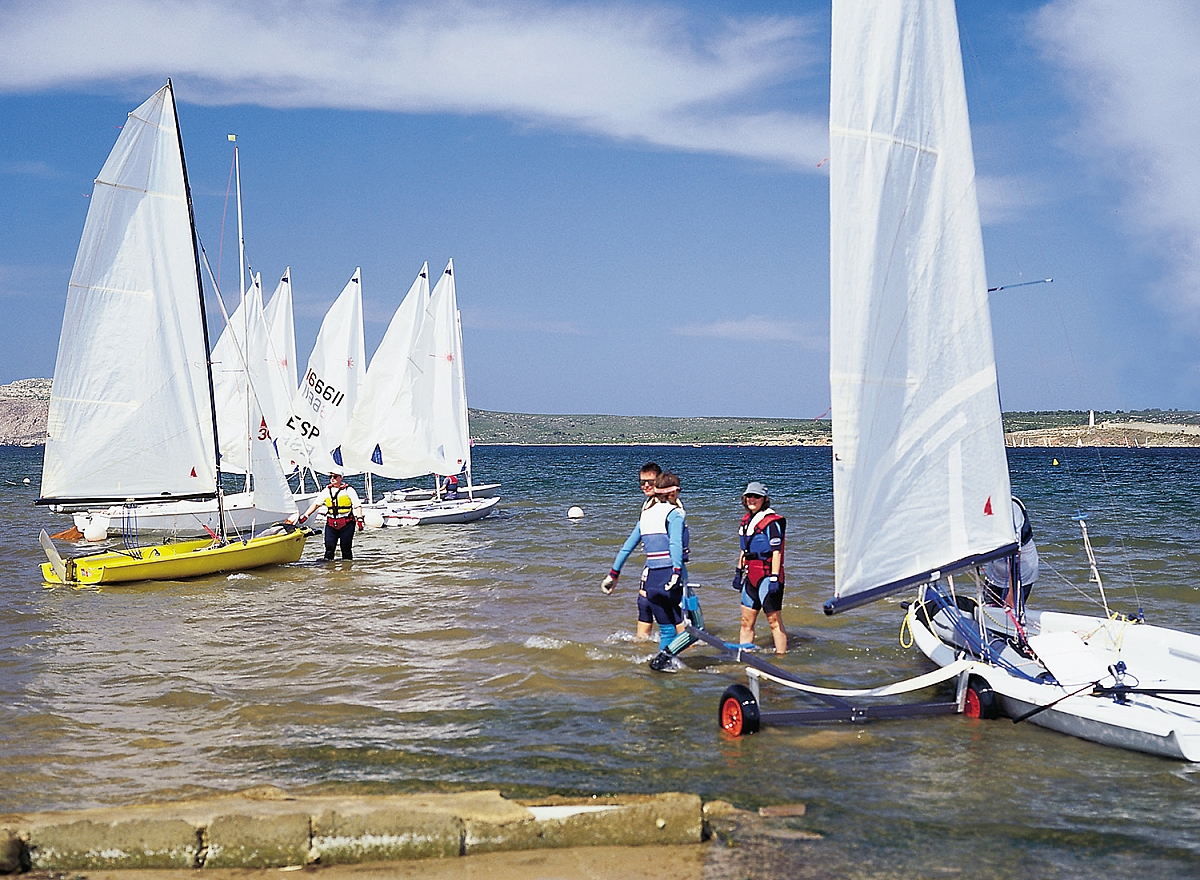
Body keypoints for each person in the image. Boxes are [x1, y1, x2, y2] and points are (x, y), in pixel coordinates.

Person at [601, 470, 686, 656]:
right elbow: (675, 543)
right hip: (669, 575)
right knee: (685, 627)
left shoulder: (645, 516)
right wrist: (677, 570)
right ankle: (681, 662)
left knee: (666, 630)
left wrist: (613, 575)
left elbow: (626, 548)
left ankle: (663, 663)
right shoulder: (675, 514)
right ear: (673, 492)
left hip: (651, 579)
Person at [735, 481, 787, 654]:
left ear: (764, 499)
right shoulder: (746, 522)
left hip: (768, 576)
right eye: (749, 496)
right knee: (746, 621)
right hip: (750, 576)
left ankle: (781, 658)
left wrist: (774, 578)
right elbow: (744, 550)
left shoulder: (772, 523)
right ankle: (744, 655)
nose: (752, 499)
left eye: (756, 496)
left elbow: (776, 553)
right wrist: (738, 571)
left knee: (774, 621)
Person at [295, 467, 364, 560]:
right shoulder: (326, 491)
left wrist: (359, 519)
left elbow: (357, 505)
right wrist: (306, 516)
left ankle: (347, 567)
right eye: (330, 477)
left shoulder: (349, 490)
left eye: (335, 477)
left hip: (346, 524)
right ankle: (329, 567)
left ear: (341, 478)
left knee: (346, 548)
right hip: (331, 524)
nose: (332, 479)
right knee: (329, 548)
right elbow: (316, 504)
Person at [982, 496, 1039, 608]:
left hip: (1021, 570)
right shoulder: (981, 506)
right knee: (990, 609)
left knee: (1012, 611)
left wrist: (1011, 594)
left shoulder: (1012, 507)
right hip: (995, 571)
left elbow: (1014, 553)